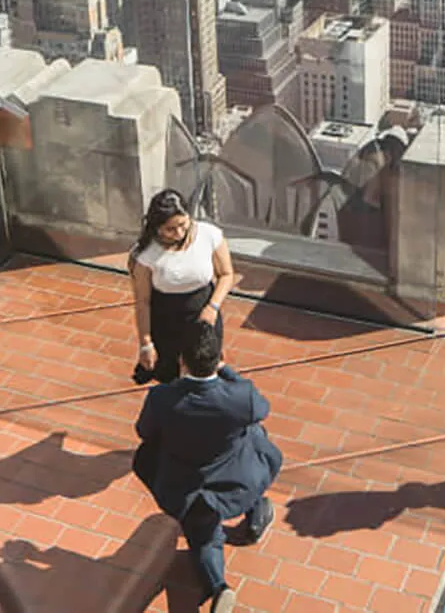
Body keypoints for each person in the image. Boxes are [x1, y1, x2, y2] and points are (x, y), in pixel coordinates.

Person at [133, 321, 281, 613]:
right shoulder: (242, 397)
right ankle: (254, 514)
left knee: (204, 539)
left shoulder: (162, 398)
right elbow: (261, 409)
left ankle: (219, 587)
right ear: (218, 356)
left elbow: (144, 432)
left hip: (187, 487)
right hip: (237, 478)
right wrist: (226, 370)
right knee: (255, 436)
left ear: (181, 360)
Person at [129, 189, 237, 384]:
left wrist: (213, 307)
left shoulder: (209, 235)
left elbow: (226, 274)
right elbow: (143, 302)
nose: (178, 233)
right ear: (156, 227)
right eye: (170, 229)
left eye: (182, 225)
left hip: (204, 311)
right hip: (167, 319)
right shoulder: (145, 254)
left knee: (205, 369)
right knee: (170, 373)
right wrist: (145, 343)